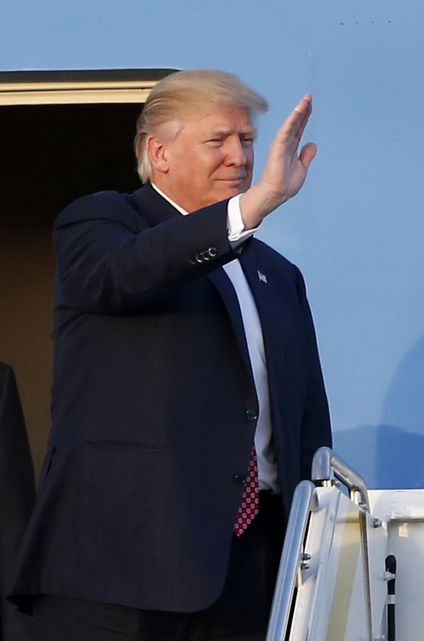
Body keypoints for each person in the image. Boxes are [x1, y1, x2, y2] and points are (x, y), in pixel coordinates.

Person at [8, 69, 332, 640]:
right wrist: (249, 211)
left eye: (247, 141)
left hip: (248, 571)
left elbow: (305, 418)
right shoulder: (102, 223)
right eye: (218, 140)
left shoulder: (277, 276)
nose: (239, 157)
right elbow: (125, 275)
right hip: (120, 567)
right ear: (158, 152)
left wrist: (319, 538)